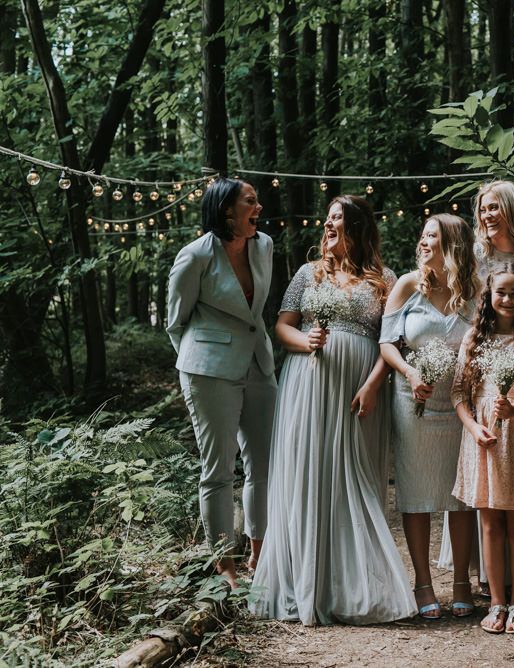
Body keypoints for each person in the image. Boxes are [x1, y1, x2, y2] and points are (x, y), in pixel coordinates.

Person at [250, 195, 416, 625]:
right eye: (325, 220)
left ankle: (353, 584)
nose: (327, 226)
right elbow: (283, 325)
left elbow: (393, 340)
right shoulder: (308, 274)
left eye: (337, 220)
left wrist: (373, 385)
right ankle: (306, 580)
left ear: (357, 227)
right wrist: (305, 342)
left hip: (359, 388)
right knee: (310, 471)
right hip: (309, 382)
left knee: (354, 476)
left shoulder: (385, 279)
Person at [440, 180, 514, 592]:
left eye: (495, 208)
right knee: (488, 509)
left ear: (513, 211)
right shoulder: (472, 258)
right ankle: (490, 588)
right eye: (483, 209)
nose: (487, 216)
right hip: (479, 377)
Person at [166, 178, 277, 588]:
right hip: (208, 371)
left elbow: (257, 310)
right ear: (227, 210)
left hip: (259, 365)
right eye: (250, 201)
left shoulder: (264, 246)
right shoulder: (194, 256)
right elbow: (175, 322)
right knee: (218, 471)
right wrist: (200, 358)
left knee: (264, 464)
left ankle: (260, 555)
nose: (259, 207)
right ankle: (224, 566)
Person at [379, 214, 479, 620]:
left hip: (459, 404)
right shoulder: (406, 285)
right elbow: (386, 342)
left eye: (431, 237)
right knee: (416, 493)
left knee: (460, 495)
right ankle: (422, 582)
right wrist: (410, 372)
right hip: (412, 400)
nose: (423, 243)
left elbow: (486, 338)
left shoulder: (474, 290)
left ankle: (461, 582)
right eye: (422, 236)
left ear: (452, 243)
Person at [452, 262, 514, 634]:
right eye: (501, 292)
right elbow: (459, 393)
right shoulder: (475, 338)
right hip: (484, 438)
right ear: (489, 296)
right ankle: (495, 602)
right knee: (490, 525)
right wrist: (474, 427)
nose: (508, 299)